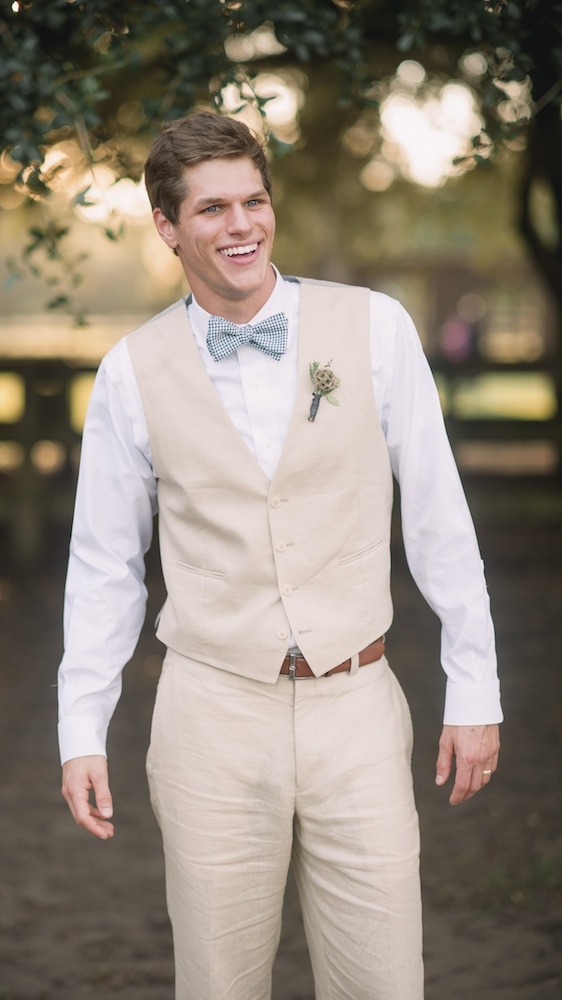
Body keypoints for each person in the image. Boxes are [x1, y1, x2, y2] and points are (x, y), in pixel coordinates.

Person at [57, 110, 502, 1000]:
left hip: (359, 707)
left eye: (253, 201)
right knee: (219, 984)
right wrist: (80, 726)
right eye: (213, 208)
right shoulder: (130, 372)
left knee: (383, 981)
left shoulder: (375, 329)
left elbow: (440, 519)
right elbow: (104, 563)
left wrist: (476, 686)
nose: (241, 226)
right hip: (210, 716)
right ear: (169, 226)